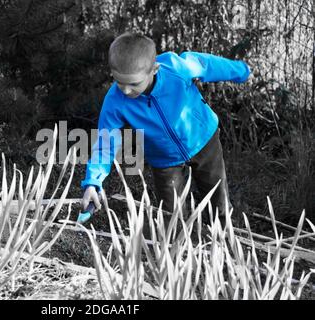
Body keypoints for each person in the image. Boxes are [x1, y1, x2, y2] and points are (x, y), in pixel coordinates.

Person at [80, 32, 251, 219]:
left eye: (133, 83)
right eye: (119, 82)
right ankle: (175, 244)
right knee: (171, 214)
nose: (126, 90)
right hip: (163, 157)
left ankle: (221, 238)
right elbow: (105, 145)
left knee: (218, 201)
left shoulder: (176, 68)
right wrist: (92, 183)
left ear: (154, 69)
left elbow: (210, 65)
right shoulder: (114, 101)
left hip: (202, 139)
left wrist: (241, 71)